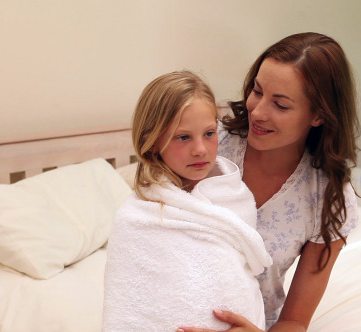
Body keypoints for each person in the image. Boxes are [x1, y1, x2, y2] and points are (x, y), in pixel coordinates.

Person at [177, 32, 360, 332]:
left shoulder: (327, 198)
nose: (258, 112)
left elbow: (294, 320)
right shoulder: (208, 146)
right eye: (257, 91)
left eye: (281, 105)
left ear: (318, 115)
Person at [102, 70, 273, 331]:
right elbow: (129, 309)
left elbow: (241, 279)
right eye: (183, 137)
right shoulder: (135, 220)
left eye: (209, 133)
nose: (201, 149)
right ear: (153, 141)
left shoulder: (235, 198)